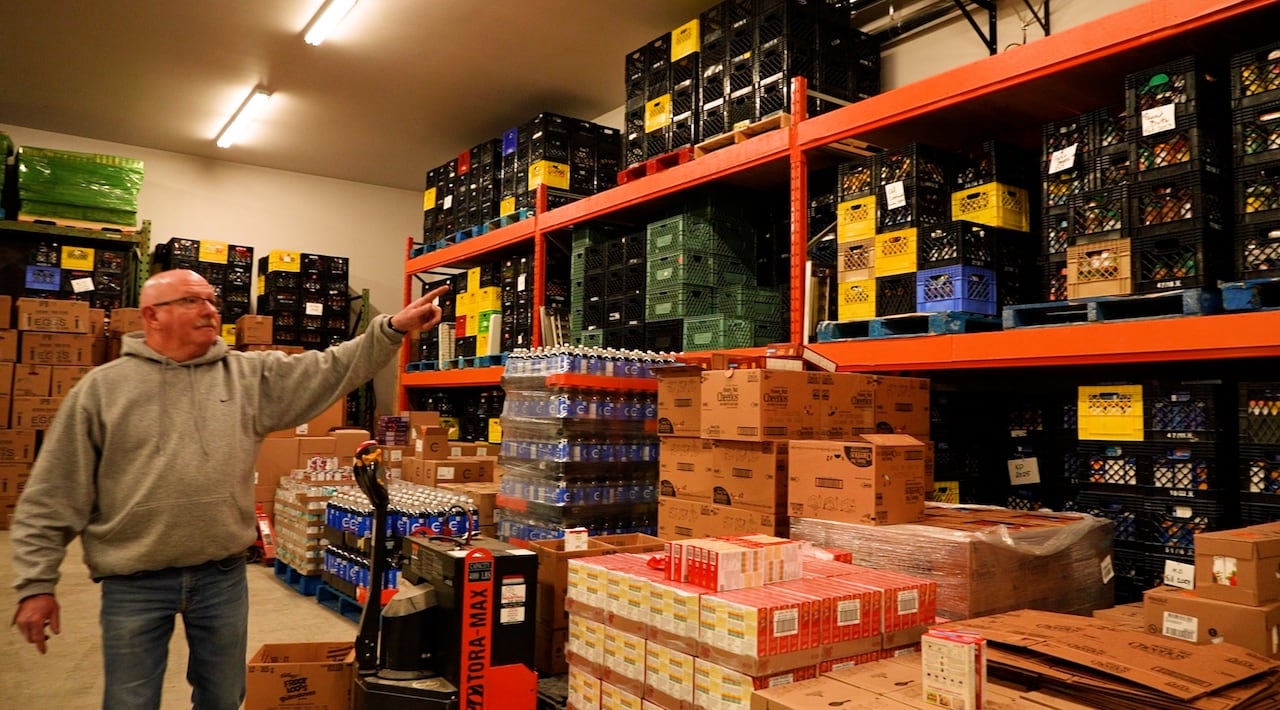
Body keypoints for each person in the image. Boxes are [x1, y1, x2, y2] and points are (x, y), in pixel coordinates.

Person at [11, 268, 448, 710]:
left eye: (211, 301)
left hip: (220, 577)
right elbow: (53, 492)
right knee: (130, 699)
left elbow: (328, 368)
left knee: (222, 697)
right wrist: (36, 584)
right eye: (191, 301)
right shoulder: (102, 391)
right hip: (134, 582)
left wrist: (390, 329)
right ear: (151, 315)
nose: (209, 310)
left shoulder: (246, 377)